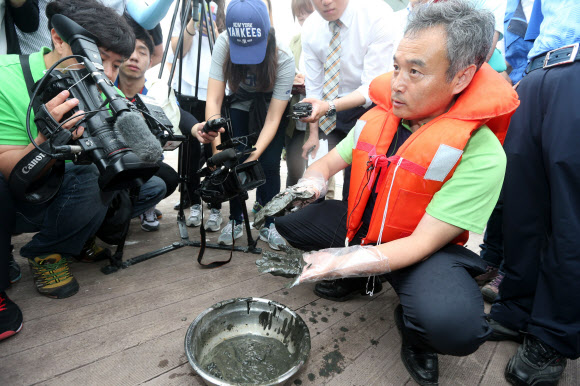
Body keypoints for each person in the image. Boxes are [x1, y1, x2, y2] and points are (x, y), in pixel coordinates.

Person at [258, 1, 519, 384]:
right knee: (290, 224)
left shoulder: (481, 152)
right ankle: (359, 278)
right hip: (362, 228)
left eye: (416, 72)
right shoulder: (378, 117)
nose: (397, 83)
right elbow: (327, 164)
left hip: (423, 252)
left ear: (461, 78)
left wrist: (344, 260)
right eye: (397, 66)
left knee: (455, 326)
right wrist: (311, 183)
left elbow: (423, 241)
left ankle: (415, 332)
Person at [0, 0, 147, 299]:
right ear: (58, 39)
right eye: (98, 58)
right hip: (23, 199)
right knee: (89, 173)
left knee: (152, 183)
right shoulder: (5, 78)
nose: (105, 73)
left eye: (116, 65)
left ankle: (75, 234)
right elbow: (9, 171)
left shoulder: (104, 87)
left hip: (72, 191)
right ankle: (47, 251)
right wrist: (47, 139)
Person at [487, 1, 580, 385]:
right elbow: (524, 28)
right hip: (537, 73)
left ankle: (553, 333)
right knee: (522, 206)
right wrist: (522, 75)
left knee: (569, 213)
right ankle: (517, 308)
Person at [206, 0, 294, 250]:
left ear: (268, 33)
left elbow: (274, 118)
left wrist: (253, 156)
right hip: (240, 103)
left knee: (268, 163)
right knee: (233, 161)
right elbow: (213, 99)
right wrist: (217, 154)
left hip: (269, 106)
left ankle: (269, 222)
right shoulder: (223, 42)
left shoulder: (284, 57)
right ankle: (236, 218)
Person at [117, 16, 216, 230]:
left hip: (143, 161)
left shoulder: (156, 89)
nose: (134, 57)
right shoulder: (105, 83)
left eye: (142, 52)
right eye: (130, 51)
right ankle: (108, 217)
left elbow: (176, 112)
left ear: (151, 60)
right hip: (109, 160)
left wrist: (195, 127)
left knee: (168, 180)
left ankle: (135, 208)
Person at [299, 0, 398, 201]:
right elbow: (314, 87)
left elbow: (372, 87)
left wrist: (328, 106)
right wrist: (313, 133)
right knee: (315, 184)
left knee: (356, 187)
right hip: (327, 110)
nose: (326, 2)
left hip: (371, 108)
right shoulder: (311, 27)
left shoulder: (377, 14)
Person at [171, 0, 226, 231]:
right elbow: (177, 51)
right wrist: (193, 23)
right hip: (187, 91)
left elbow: (228, 54)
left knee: (216, 153)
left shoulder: (223, 13)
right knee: (190, 155)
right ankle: (194, 203)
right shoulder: (184, 11)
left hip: (216, 92)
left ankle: (215, 206)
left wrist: (214, 30)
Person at [284, 0, 315, 188]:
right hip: (296, 117)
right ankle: (289, 209)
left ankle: (317, 212)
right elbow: (285, 74)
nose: (303, 19)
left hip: (320, 117)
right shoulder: (294, 42)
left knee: (319, 171)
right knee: (294, 169)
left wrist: (310, 83)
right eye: (300, 16)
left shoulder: (331, 41)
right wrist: (293, 81)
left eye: (307, 14)